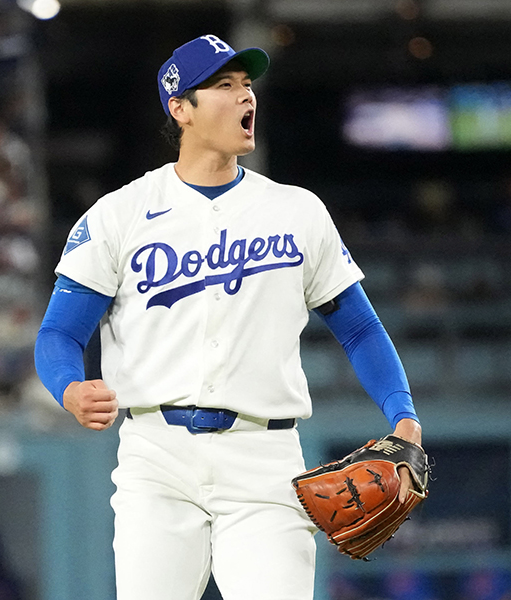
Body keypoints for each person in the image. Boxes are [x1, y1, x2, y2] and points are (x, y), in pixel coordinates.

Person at [34, 34, 423, 600]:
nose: (246, 97)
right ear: (180, 108)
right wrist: (68, 387)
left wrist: (403, 413)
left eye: (247, 85)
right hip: (156, 460)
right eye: (224, 86)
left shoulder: (297, 211)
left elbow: (359, 328)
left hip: (264, 460)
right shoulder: (120, 214)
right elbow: (59, 332)